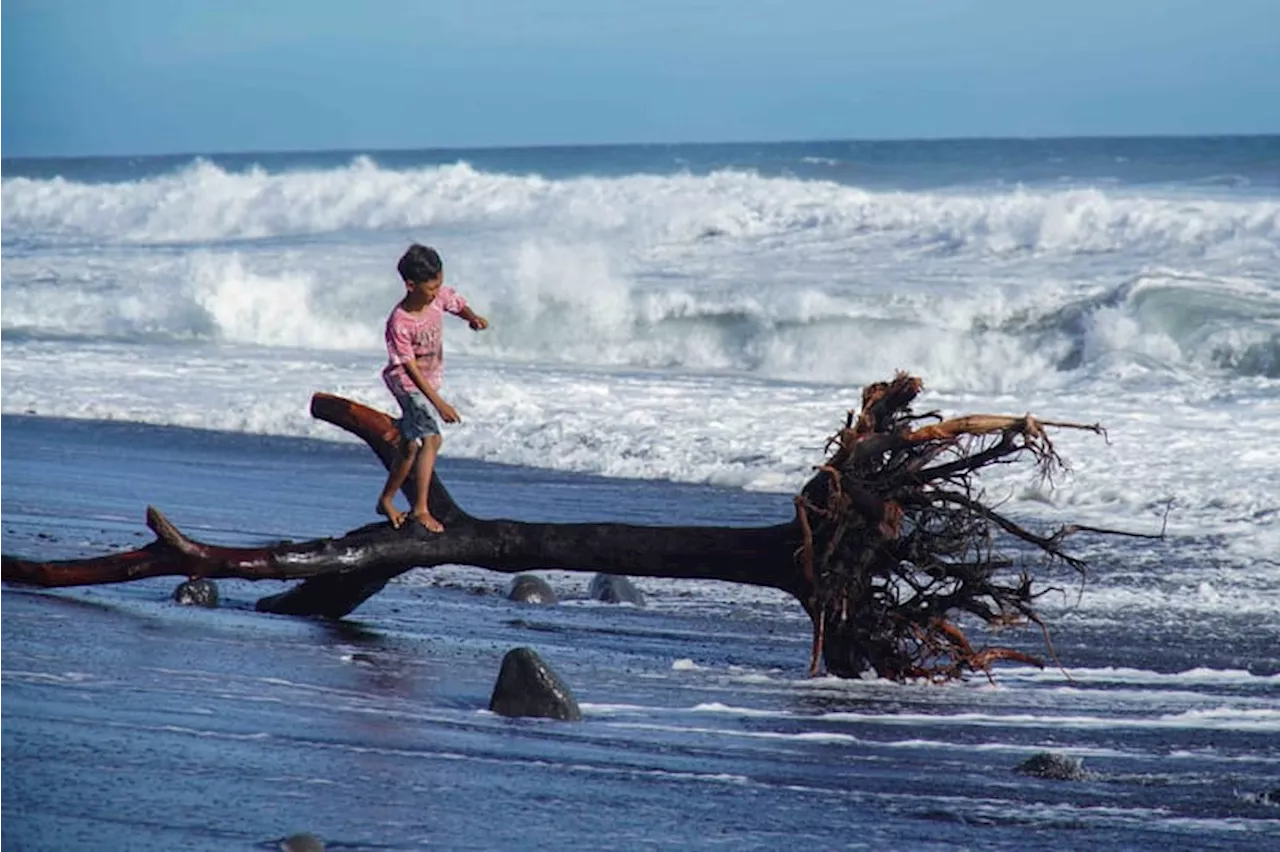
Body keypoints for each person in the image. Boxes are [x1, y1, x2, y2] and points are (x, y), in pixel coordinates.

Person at [376, 243, 488, 532]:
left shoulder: (437, 298)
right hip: (407, 382)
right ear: (410, 285)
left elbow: (456, 303)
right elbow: (409, 368)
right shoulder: (399, 322)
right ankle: (421, 509)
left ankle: (387, 500)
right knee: (432, 439)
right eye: (430, 286)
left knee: (410, 446)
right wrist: (439, 403)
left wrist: (471, 318)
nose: (437, 290)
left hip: (428, 378)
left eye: (439, 282)